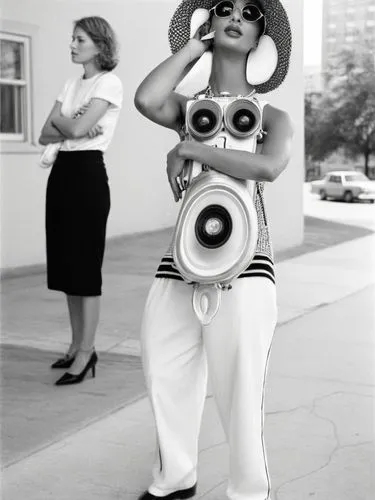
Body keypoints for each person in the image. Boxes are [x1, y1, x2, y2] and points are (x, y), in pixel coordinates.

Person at [134, 0, 293, 498]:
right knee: (163, 361)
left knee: (240, 386)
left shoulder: (274, 115)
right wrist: (193, 46)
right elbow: (146, 98)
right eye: (224, 9)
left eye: (249, 14)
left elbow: (267, 167)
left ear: (260, 38)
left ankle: (249, 491)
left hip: (248, 259)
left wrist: (191, 147)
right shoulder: (188, 107)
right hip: (181, 255)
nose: (235, 17)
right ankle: (175, 478)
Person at [39, 16, 123, 386]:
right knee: (66, 266)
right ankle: (76, 345)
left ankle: (88, 353)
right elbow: (45, 133)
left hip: (88, 175)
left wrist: (68, 121)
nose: (72, 45)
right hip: (61, 174)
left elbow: (68, 128)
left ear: (99, 46)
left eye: (79, 39)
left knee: (85, 268)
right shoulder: (73, 83)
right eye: (72, 39)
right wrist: (71, 122)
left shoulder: (110, 83)